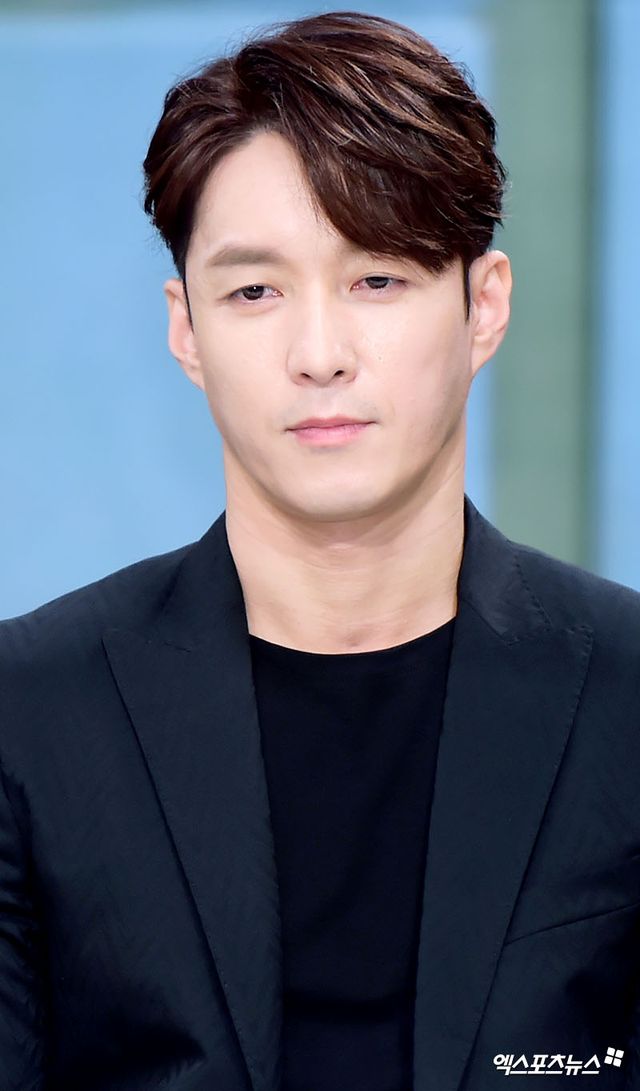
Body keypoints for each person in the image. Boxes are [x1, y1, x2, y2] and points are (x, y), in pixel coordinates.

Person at [1, 9, 639, 1091]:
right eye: (254, 291)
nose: (319, 353)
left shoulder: (623, 692)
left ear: (483, 305)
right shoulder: (30, 713)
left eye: (377, 279)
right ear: (187, 329)